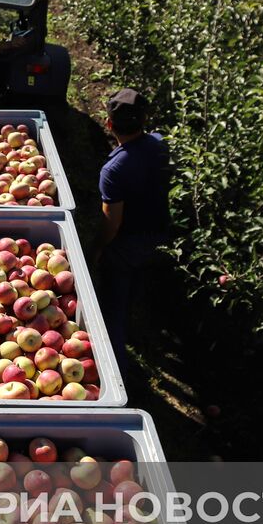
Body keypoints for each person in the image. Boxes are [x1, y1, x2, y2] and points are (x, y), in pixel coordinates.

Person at [92, 88, 173, 375]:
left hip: (131, 243)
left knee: (114, 303)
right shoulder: (164, 145)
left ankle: (117, 370)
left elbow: (112, 223)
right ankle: (140, 330)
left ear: (109, 124)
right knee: (140, 285)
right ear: (145, 119)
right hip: (164, 235)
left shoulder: (115, 169)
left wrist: (98, 249)